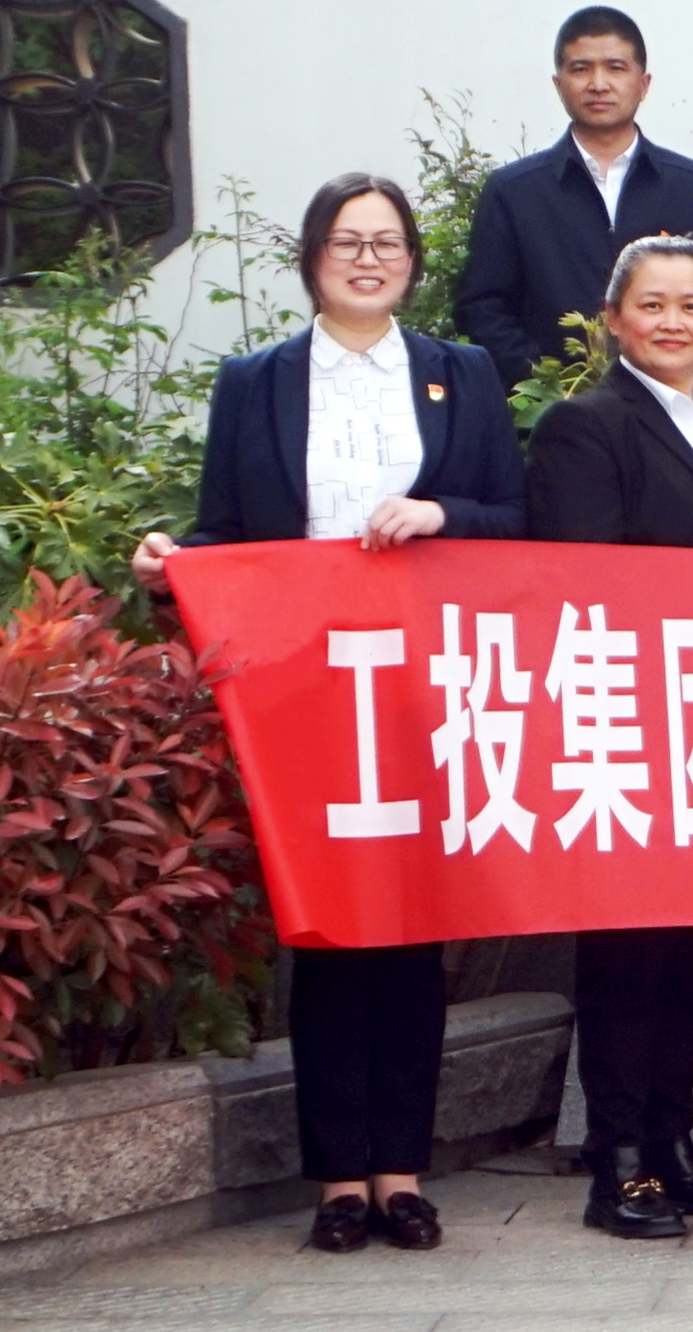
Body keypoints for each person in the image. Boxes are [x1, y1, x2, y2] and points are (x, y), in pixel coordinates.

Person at [130, 176, 525, 1256]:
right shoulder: (256, 380)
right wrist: (171, 564)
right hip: (303, 686)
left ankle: (403, 1170)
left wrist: (440, 511)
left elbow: (513, 515)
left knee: (413, 926)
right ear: (313, 257)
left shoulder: (460, 372)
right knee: (327, 927)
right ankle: (339, 1178)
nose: (368, 258)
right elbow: (224, 531)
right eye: (347, 240)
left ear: (412, 261)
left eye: (388, 241)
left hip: (425, 681)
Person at [524, 234, 693, 1240]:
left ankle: (675, 1147)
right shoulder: (584, 425)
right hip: (629, 724)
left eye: (691, 305)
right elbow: (585, 573)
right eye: (652, 303)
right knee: (628, 956)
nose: (672, 320)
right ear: (614, 319)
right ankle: (618, 1162)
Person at [456, 7, 693, 388]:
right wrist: (549, 388)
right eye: (581, 69)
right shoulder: (514, 191)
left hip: (677, 400)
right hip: (552, 405)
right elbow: (483, 308)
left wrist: (678, 387)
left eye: (616, 68)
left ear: (643, 83)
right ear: (559, 84)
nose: (598, 84)